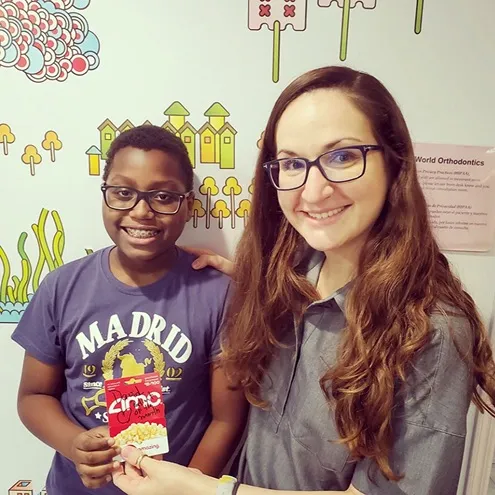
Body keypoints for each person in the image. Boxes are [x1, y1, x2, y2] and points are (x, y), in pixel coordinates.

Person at [113, 65, 495, 495]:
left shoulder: (432, 331)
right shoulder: (289, 273)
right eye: (293, 163)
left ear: (394, 161)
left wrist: (202, 491)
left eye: (343, 157)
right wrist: (245, 276)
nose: (313, 192)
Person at [11, 125, 247, 494]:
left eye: (163, 197)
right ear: (105, 196)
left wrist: (182, 488)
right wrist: (74, 445)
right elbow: (33, 396)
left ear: (187, 205)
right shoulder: (62, 287)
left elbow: (227, 419)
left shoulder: (219, 296)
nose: (141, 211)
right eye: (123, 193)